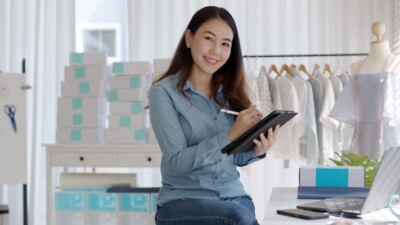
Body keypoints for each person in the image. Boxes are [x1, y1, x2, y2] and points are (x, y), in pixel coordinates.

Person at [148, 6, 279, 225]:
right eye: (209, 39)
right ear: (189, 38)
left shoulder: (230, 93)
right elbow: (177, 161)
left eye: (225, 44)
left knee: (245, 212)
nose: (216, 51)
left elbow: (234, 158)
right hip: (182, 203)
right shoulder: (163, 93)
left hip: (234, 199)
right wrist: (230, 135)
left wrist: (257, 149)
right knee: (238, 217)